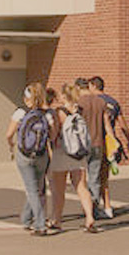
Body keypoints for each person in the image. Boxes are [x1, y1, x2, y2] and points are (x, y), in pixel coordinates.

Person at [5, 83, 55, 236]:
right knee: (37, 189)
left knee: (32, 190)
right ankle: (26, 219)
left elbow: (8, 134)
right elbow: (53, 136)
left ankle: (40, 225)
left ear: (26, 98)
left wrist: (11, 144)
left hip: (24, 155)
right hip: (41, 155)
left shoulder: (20, 112)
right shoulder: (47, 115)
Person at [49, 84, 99, 233]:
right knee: (81, 187)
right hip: (78, 152)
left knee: (59, 190)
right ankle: (89, 217)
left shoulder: (59, 112)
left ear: (64, 96)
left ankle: (57, 219)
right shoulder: (80, 110)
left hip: (62, 152)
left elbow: (54, 134)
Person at [88, 76, 129, 218]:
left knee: (93, 176)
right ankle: (107, 206)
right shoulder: (113, 102)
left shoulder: (92, 102)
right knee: (104, 175)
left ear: (93, 86)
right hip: (109, 142)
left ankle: (96, 207)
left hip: (94, 140)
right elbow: (122, 124)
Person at [75, 78, 114, 219]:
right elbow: (107, 124)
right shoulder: (101, 102)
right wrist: (112, 141)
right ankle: (94, 208)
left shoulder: (78, 103)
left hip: (82, 145)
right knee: (95, 178)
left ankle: (87, 208)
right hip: (98, 143)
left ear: (78, 88)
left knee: (81, 179)